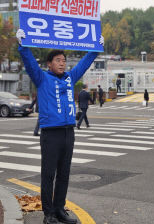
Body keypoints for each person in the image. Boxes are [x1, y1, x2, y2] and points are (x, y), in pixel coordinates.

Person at [16, 29, 103, 224]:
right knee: (48, 175)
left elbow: (84, 64)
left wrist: (96, 49)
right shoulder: (42, 78)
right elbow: (30, 63)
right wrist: (23, 46)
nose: (62, 63)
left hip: (68, 132)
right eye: (57, 60)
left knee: (64, 174)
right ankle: (48, 214)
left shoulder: (70, 78)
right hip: (50, 133)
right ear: (49, 64)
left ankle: (59, 209)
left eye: (63, 60)